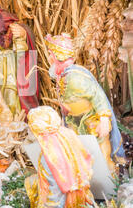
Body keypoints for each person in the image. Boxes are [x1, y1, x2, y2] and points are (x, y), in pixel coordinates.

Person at [45, 33, 126, 173]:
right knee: (83, 157)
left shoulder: (75, 77)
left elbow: (98, 96)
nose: (49, 58)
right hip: (76, 122)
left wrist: (104, 119)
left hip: (92, 123)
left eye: (50, 55)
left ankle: (111, 186)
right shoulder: (63, 77)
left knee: (102, 158)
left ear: (55, 56)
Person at [25, 106, 94, 208]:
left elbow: (56, 187)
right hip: (79, 192)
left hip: (65, 204)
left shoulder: (50, 151)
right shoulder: (65, 134)